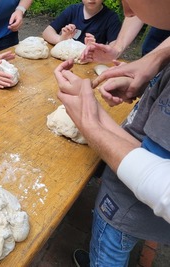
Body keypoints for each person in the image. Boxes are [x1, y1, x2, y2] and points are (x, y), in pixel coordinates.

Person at [53, 0, 170, 266]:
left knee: (109, 255)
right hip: (134, 204)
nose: (127, 11)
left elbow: (161, 180)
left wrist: (90, 121)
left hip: (130, 210)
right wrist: (151, 69)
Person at [80, 15, 170, 63]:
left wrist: (148, 63)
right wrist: (117, 49)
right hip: (154, 42)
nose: (126, 12)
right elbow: (136, 12)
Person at [42, 0, 121, 46]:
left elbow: (114, 48)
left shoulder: (111, 18)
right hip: (67, 57)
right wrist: (61, 39)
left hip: (91, 62)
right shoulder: (72, 10)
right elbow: (47, 32)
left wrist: (96, 49)